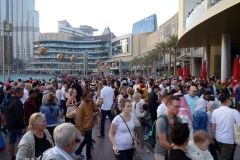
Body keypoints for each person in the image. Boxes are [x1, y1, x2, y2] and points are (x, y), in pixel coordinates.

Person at [211, 94, 240, 160]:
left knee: (226, 156)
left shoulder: (215, 111)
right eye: (230, 99)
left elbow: (213, 125)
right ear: (228, 101)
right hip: (228, 139)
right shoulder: (234, 112)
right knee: (224, 157)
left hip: (218, 138)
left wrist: (212, 137)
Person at [73, 92, 101, 160]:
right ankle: (89, 157)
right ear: (84, 97)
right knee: (88, 143)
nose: (90, 98)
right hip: (86, 128)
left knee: (86, 140)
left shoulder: (89, 104)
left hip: (89, 126)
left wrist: (93, 103)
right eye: (88, 97)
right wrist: (81, 130)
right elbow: (78, 120)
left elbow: (96, 109)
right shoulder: (81, 107)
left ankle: (78, 151)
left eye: (90, 97)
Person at [154, 95, 182, 160]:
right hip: (162, 153)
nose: (178, 109)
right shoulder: (161, 121)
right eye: (176, 106)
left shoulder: (178, 119)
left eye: (179, 107)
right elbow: (163, 142)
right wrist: (177, 151)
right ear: (168, 105)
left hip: (173, 151)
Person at [5, 87, 26, 160]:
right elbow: (19, 115)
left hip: (10, 125)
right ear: (16, 93)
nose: (23, 94)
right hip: (17, 126)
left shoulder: (9, 101)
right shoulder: (18, 102)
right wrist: (23, 126)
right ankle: (21, 157)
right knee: (22, 142)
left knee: (11, 142)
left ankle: (12, 157)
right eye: (21, 93)